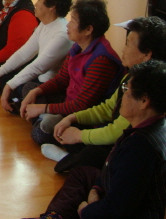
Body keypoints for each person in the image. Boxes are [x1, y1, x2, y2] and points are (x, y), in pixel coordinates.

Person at [8, 60, 166, 219]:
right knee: (82, 174)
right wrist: (97, 188)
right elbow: (112, 168)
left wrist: (86, 211)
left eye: (127, 91)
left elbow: (118, 208)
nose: (122, 96)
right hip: (118, 203)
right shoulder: (147, 126)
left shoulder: (141, 146)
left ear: (144, 101)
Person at [42, 16, 166, 172]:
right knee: (64, 129)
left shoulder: (148, 89)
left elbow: (117, 131)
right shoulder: (130, 76)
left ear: (146, 55)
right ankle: (74, 159)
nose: (123, 49)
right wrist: (72, 117)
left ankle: (68, 160)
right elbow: (108, 108)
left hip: (123, 144)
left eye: (128, 44)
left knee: (92, 154)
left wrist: (79, 135)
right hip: (109, 130)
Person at [21, 0, 124, 144]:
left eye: (73, 21)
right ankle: (47, 119)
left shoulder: (101, 60)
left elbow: (82, 105)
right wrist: (35, 92)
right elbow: (61, 80)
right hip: (68, 100)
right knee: (29, 88)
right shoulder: (77, 46)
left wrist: (43, 108)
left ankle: (47, 120)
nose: (68, 25)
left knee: (39, 135)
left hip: (83, 115)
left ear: (88, 29)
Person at [0, 0, 73, 112]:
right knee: (5, 79)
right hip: (39, 79)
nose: (35, 4)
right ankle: (22, 104)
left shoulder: (62, 34)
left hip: (51, 86)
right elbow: (24, 53)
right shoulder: (45, 24)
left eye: (39, 0)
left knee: (21, 87)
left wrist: (9, 86)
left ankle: (42, 113)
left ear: (52, 6)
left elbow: (38, 67)